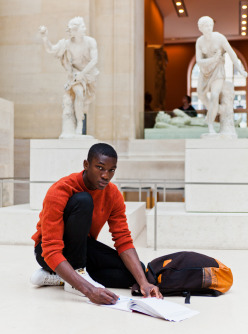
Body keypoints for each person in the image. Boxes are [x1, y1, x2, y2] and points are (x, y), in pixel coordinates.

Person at [30, 143, 162, 305]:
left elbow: (123, 240)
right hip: (46, 250)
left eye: (111, 170)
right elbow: (50, 250)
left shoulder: (113, 194)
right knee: (83, 200)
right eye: (100, 167)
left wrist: (144, 283)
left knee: (135, 272)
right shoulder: (61, 190)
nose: (106, 175)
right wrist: (89, 290)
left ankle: (61, 278)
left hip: (82, 247)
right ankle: (76, 276)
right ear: (86, 165)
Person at [39, 17, 99, 137]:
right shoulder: (66, 44)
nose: (85, 28)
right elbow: (51, 49)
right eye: (82, 27)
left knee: (85, 100)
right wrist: (45, 38)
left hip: (88, 74)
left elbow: (94, 60)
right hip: (75, 74)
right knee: (79, 93)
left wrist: (82, 74)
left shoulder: (90, 41)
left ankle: (80, 119)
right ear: (75, 30)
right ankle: (80, 125)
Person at [196, 16, 248, 134]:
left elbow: (232, 53)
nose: (208, 28)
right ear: (201, 28)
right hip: (204, 72)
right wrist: (213, 59)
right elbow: (199, 61)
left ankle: (210, 125)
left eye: (210, 25)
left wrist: (240, 69)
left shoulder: (219, 38)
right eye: (205, 26)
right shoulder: (199, 41)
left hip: (218, 71)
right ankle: (218, 110)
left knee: (214, 95)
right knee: (201, 95)